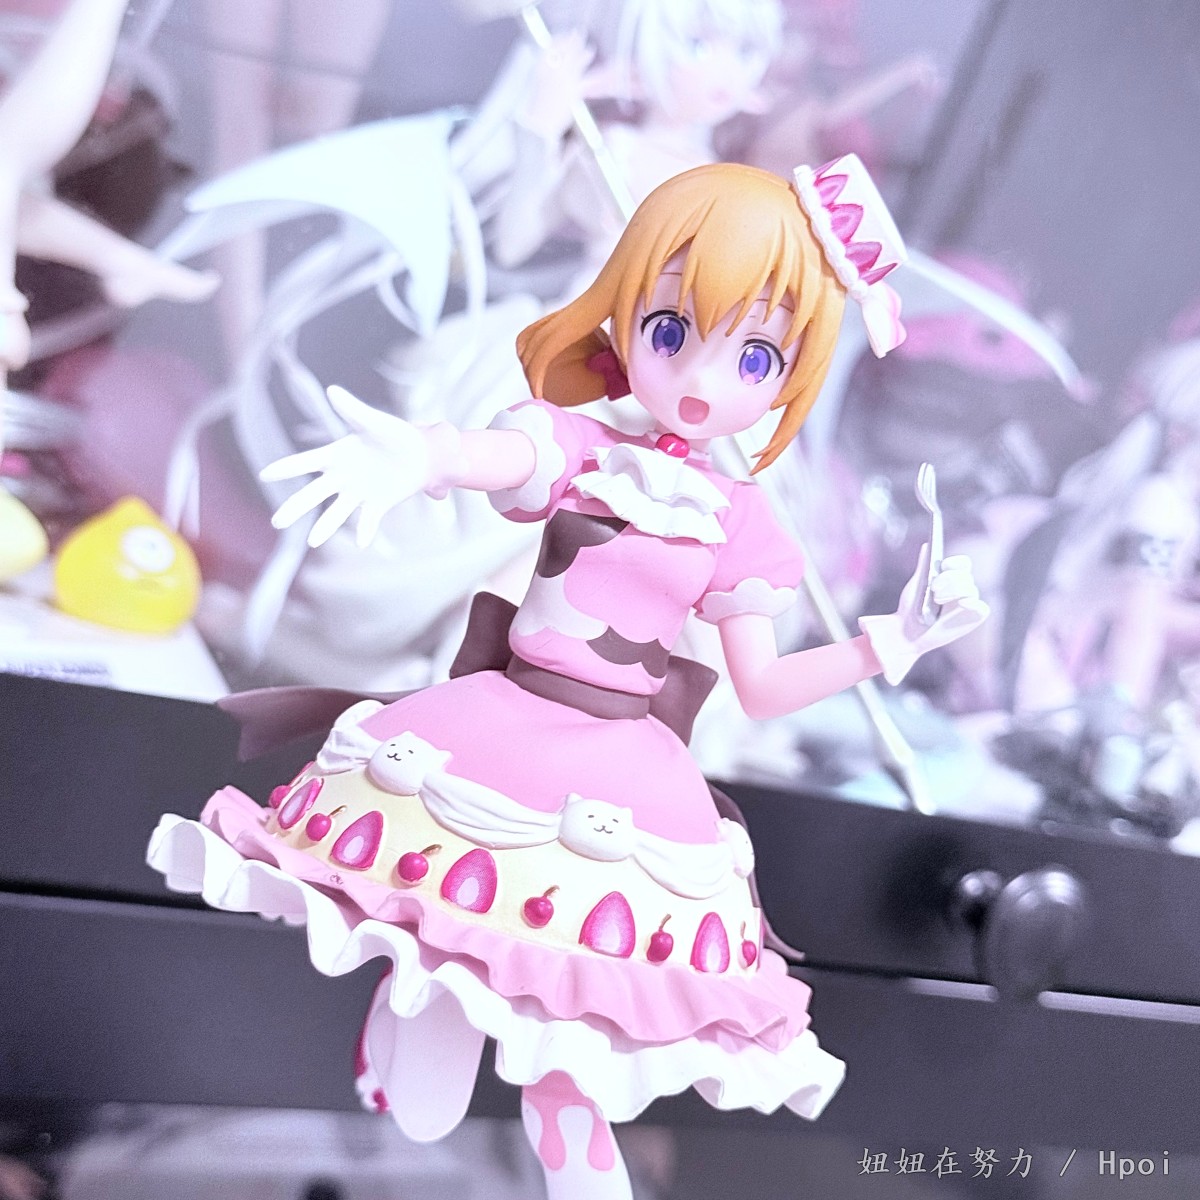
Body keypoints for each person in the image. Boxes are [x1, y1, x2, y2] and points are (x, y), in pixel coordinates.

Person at [151, 157, 987, 1200]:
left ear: (790, 375)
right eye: (672, 329)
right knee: (445, 926)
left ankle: (567, 1144)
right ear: (626, 313)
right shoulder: (585, 447)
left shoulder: (739, 523)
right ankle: (422, 1027)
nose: (700, 378)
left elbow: (763, 688)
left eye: (755, 354)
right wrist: (421, 458)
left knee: (575, 1007)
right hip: (500, 725)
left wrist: (889, 643)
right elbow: (499, 458)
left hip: (623, 775)